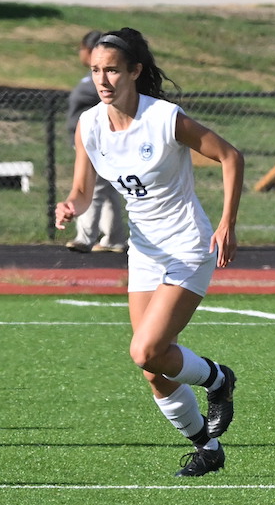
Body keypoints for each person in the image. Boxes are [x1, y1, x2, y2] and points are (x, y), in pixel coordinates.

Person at [55, 28, 245, 477]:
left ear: (135, 72)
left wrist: (227, 223)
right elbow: (83, 191)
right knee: (154, 368)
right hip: (144, 252)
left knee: (144, 349)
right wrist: (70, 205)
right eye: (96, 70)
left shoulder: (163, 118)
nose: (103, 80)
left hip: (187, 247)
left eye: (113, 70)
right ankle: (207, 447)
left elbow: (231, 156)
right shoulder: (90, 123)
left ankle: (219, 379)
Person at [64, 30, 129, 254]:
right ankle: (114, 237)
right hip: (87, 141)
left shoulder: (101, 84)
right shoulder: (90, 80)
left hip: (100, 142)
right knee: (109, 191)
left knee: (95, 188)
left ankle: (85, 236)